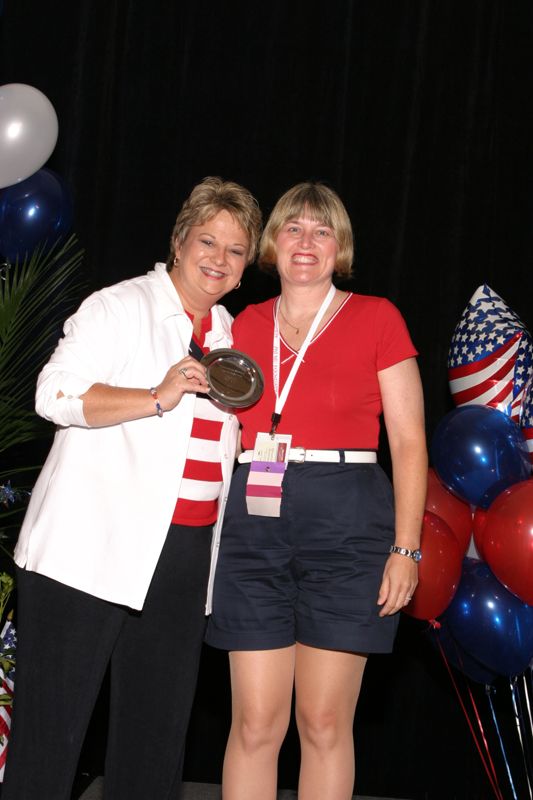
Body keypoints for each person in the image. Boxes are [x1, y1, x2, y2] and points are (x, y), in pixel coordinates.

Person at [2, 177, 262, 800]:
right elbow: (52, 393)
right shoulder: (118, 307)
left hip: (182, 558)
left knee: (155, 746)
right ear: (178, 241)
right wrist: (155, 396)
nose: (218, 259)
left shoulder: (233, 337)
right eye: (207, 240)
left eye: (235, 250)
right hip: (87, 553)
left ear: (248, 263)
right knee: (50, 739)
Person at [205, 182, 428, 800]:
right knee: (254, 724)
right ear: (273, 244)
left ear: (340, 248)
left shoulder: (377, 317)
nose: (307, 241)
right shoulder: (239, 325)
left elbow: (409, 442)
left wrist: (406, 550)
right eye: (294, 229)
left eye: (322, 230)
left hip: (349, 525)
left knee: (324, 722)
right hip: (253, 524)